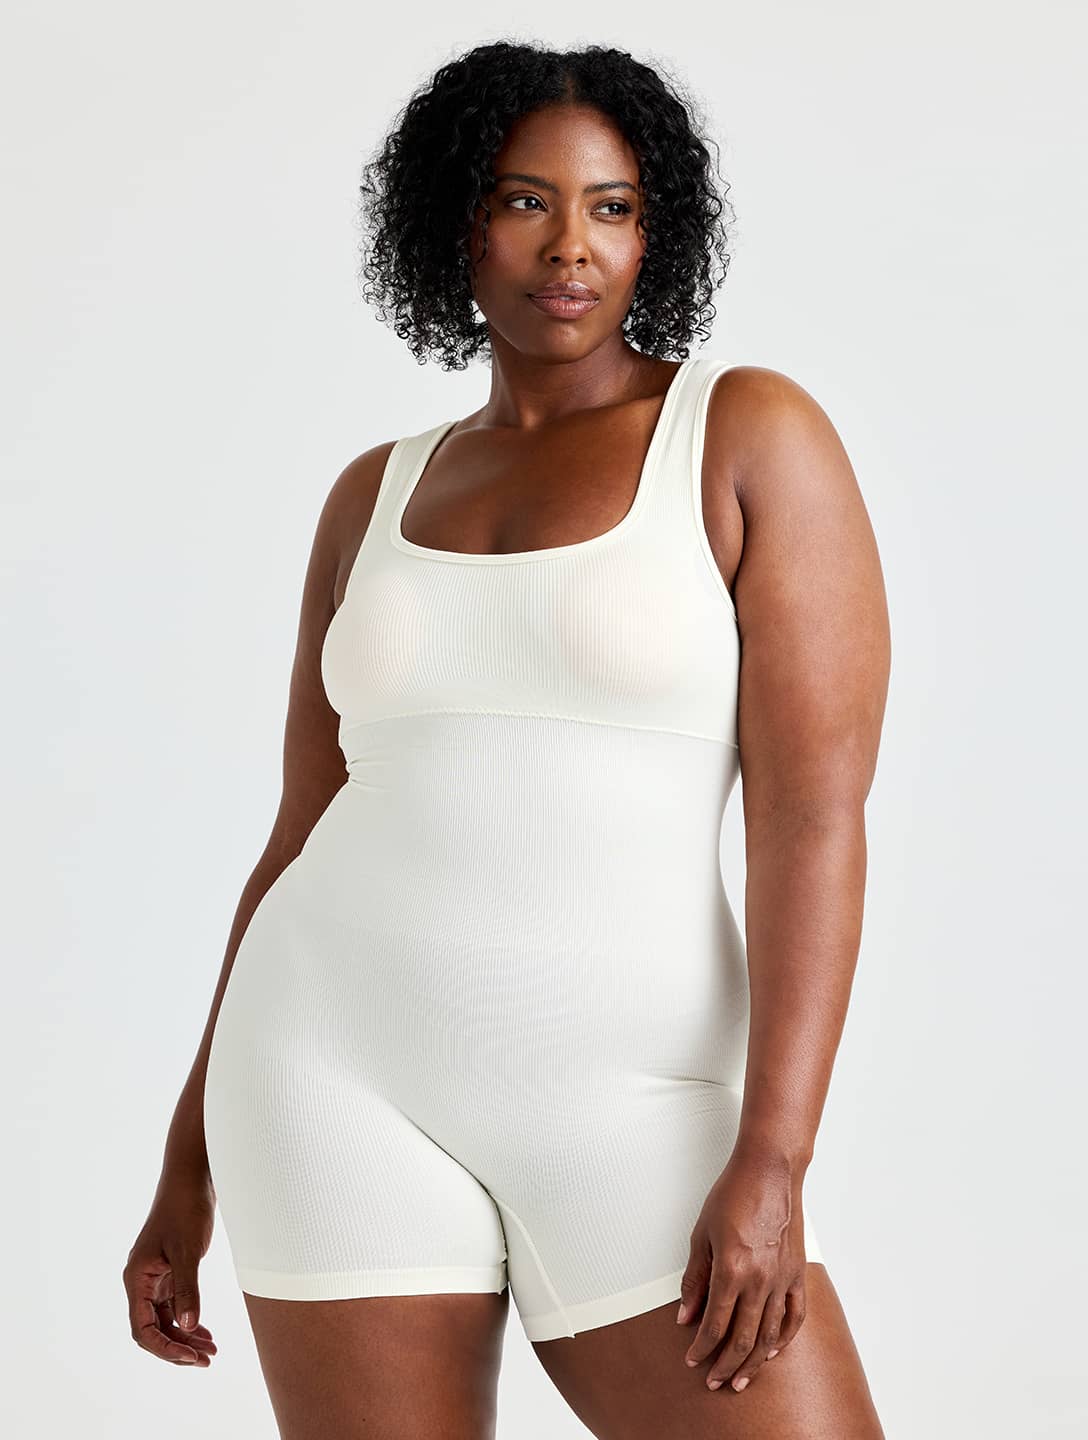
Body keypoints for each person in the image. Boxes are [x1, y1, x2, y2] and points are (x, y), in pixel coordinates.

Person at [123, 40, 890, 1440]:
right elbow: (300, 830)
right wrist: (189, 1162)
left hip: (632, 1102)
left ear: (656, 233)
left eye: (613, 207)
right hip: (325, 1078)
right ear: (456, 221)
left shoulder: (742, 436)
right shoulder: (374, 492)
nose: (571, 247)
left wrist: (775, 1157)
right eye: (525, 200)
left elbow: (812, 819)